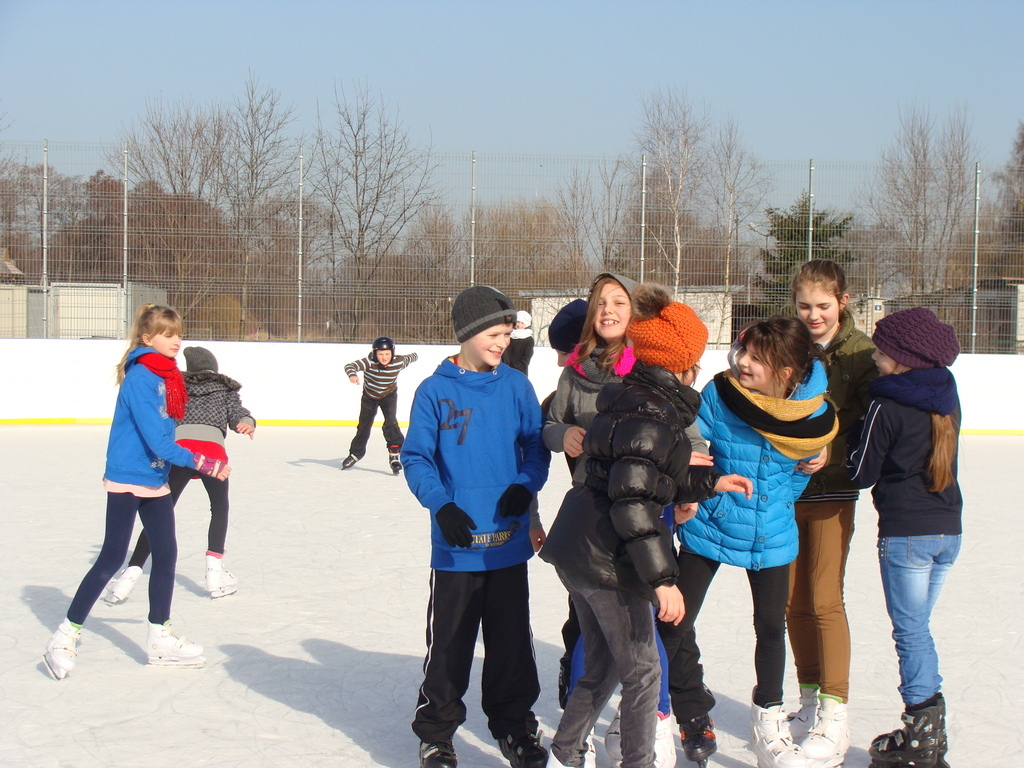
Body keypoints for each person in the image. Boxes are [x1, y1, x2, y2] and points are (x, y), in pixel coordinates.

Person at [541, 284, 753, 768]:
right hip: (605, 559)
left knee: (602, 666)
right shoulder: (652, 413)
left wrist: (711, 482)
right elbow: (633, 503)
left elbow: (651, 473)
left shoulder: (634, 398)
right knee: (642, 673)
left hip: (579, 548)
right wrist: (662, 581)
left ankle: (565, 754)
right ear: (684, 363)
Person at [663, 316, 839, 768]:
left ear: (785, 371)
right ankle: (664, 709)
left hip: (771, 535)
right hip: (711, 524)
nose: (743, 362)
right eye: (744, 352)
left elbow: (799, 473)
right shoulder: (720, 395)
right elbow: (691, 443)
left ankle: (768, 725)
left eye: (757, 359)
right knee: (674, 620)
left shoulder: (811, 416)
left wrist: (778, 502)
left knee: (771, 629)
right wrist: (698, 492)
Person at [402, 285, 550, 768]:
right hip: (457, 547)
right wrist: (441, 506)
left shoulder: (516, 387)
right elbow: (417, 457)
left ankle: (515, 727)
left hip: (506, 543)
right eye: (494, 333)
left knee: (511, 644)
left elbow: (536, 447)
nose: (503, 342)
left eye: (508, 333)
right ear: (467, 333)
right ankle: (436, 734)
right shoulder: (434, 391)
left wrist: (525, 485)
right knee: (449, 645)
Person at [42, 305, 231, 680]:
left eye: (178, 333)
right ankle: (64, 636)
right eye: (167, 334)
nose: (176, 340)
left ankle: (160, 635)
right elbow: (159, 440)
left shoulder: (169, 376)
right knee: (113, 556)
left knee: (166, 553)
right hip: (129, 475)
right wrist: (203, 462)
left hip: (154, 477)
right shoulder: (142, 377)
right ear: (147, 338)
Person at [847, 307, 962, 768]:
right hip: (947, 530)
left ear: (903, 358)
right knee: (918, 631)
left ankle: (921, 735)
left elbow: (861, 472)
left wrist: (847, 439)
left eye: (881, 351)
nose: (875, 358)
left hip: (907, 535)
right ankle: (929, 732)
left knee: (911, 633)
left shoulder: (885, 403)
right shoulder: (947, 395)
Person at [785, 260, 878, 765]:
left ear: (843, 301)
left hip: (833, 491)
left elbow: (870, 422)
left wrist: (831, 451)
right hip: (786, 492)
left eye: (823, 305)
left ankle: (835, 713)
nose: (813, 315)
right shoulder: (787, 345)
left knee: (823, 599)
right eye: (804, 306)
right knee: (792, 602)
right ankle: (808, 701)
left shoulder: (862, 354)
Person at [104, 345, 256, 603]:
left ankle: (127, 577)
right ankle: (214, 574)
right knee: (219, 508)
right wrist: (247, 423)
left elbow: (161, 416)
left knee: (159, 511)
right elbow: (239, 414)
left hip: (180, 452)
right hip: (212, 453)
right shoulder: (225, 389)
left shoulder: (176, 386)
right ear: (214, 368)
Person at [342, 336, 418, 474]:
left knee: (391, 422)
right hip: (369, 397)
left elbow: (412, 357)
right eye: (380, 354)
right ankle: (356, 454)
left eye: (387, 354)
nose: (384, 358)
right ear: (375, 353)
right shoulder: (369, 362)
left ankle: (394, 453)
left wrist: (415, 355)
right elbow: (350, 366)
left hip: (389, 395)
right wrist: (352, 375)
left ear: (392, 353)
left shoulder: (399, 361)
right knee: (364, 426)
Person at [503, 310, 535, 374]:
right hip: (506, 370)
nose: (519, 325)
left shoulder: (529, 339)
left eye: (522, 323)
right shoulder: (509, 336)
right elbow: (505, 353)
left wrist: (514, 367)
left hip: (520, 371)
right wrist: (506, 366)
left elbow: (526, 358)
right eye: (518, 322)